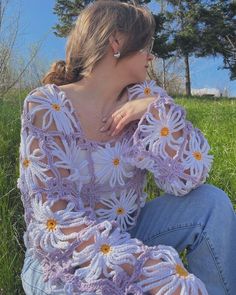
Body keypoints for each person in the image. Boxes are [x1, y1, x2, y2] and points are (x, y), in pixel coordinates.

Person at [18, 1, 236, 294]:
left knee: (212, 203)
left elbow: (190, 177)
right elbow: (55, 219)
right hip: (59, 258)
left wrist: (156, 112)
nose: (152, 56)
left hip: (128, 233)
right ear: (116, 41)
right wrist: (148, 269)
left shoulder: (146, 97)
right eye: (147, 44)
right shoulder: (46, 106)